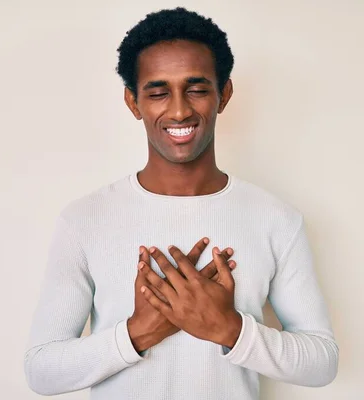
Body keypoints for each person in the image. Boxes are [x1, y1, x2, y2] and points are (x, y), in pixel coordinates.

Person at [24, 7, 338, 400]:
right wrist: (139, 332)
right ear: (133, 102)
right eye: (157, 92)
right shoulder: (85, 219)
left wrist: (227, 327)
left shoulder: (276, 219)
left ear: (223, 94)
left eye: (197, 89)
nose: (178, 110)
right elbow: (41, 370)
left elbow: (322, 361)